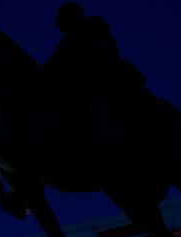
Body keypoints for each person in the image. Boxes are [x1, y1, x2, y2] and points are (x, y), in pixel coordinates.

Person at [45, 2, 148, 142]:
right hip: (86, 77)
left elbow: (98, 54)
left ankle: (98, 139)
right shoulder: (68, 39)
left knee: (93, 101)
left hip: (101, 77)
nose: (60, 25)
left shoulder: (90, 27)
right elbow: (56, 61)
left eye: (63, 19)